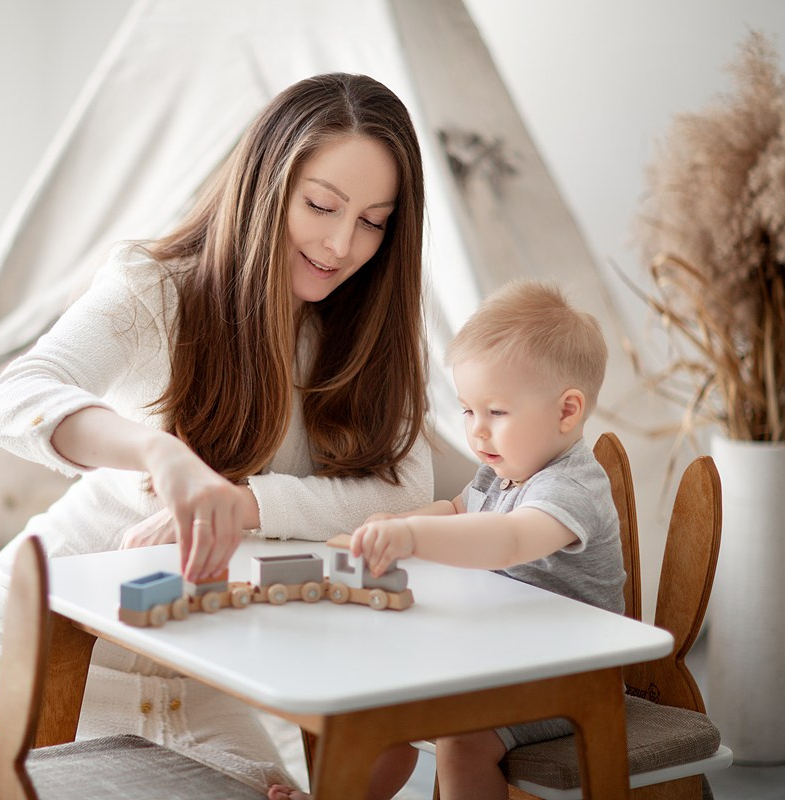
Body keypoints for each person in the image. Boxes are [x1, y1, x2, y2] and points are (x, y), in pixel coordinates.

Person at [0, 72, 435, 793]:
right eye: (322, 205)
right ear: (267, 186)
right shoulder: (157, 291)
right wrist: (156, 451)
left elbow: (404, 487)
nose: (339, 243)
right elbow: (13, 399)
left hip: (205, 669)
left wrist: (250, 504)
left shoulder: (369, 333)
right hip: (42, 649)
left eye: (373, 221)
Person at [268, 280, 625, 800]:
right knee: (381, 708)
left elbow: (506, 540)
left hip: (569, 679)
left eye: (496, 412)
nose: (477, 432)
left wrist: (412, 536)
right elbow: (458, 510)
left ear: (567, 411)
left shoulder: (570, 488)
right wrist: (387, 527)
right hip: (500, 660)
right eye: (467, 410)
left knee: (464, 739)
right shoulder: (501, 471)